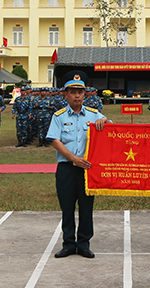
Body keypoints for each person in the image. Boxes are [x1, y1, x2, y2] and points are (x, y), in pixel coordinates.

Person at [47, 70, 107, 259]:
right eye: (72, 92)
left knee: (86, 207)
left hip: (88, 170)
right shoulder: (59, 116)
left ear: (85, 94)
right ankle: (68, 244)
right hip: (67, 168)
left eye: (80, 92)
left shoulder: (93, 114)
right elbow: (55, 141)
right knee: (67, 207)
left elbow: (112, 129)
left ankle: (84, 244)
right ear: (66, 94)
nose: (77, 95)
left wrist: (104, 120)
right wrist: (74, 159)